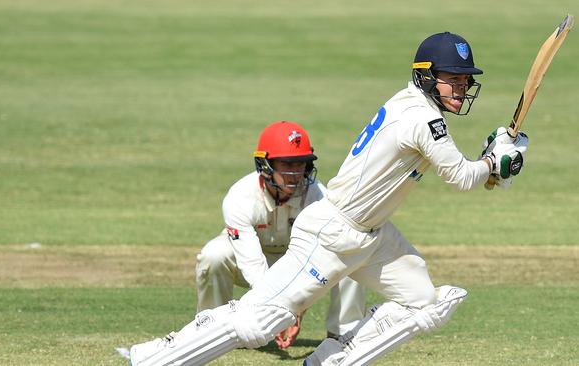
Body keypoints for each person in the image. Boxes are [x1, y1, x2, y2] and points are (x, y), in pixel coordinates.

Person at [126, 32, 529, 366]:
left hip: (374, 236)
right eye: (451, 79)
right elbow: (460, 176)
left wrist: (492, 160)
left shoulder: (412, 106)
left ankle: (329, 362)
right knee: (259, 323)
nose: (460, 88)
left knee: (425, 303)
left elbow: (464, 166)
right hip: (333, 232)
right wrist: (496, 162)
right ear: (425, 77)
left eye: (464, 81)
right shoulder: (422, 118)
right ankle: (154, 359)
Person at [196, 121, 366, 349]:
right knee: (214, 255)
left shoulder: (318, 195)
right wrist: (280, 311)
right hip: (250, 260)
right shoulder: (240, 197)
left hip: (296, 263)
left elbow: (320, 256)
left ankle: (344, 336)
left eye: (300, 165)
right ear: (265, 165)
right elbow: (252, 265)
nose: (295, 174)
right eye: (287, 164)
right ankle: (212, 333)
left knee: (348, 251)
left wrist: (298, 306)